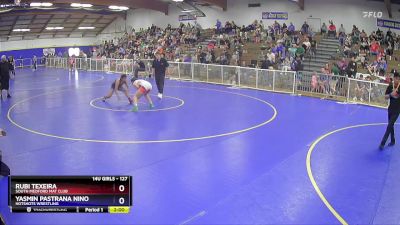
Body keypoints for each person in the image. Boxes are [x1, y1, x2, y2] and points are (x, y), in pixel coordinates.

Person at [380, 72, 400, 150]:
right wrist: (391, 94)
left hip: (397, 110)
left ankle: (382, 143)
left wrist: (395, 92)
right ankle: (393, 140)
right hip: (390, 109)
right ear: (394, 78)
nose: (397, 80)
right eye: (396, 78)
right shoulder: (390, 86)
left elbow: (397, 94)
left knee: (389, 126)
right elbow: (385, 97)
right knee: (390, 125)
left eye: (399, 79)